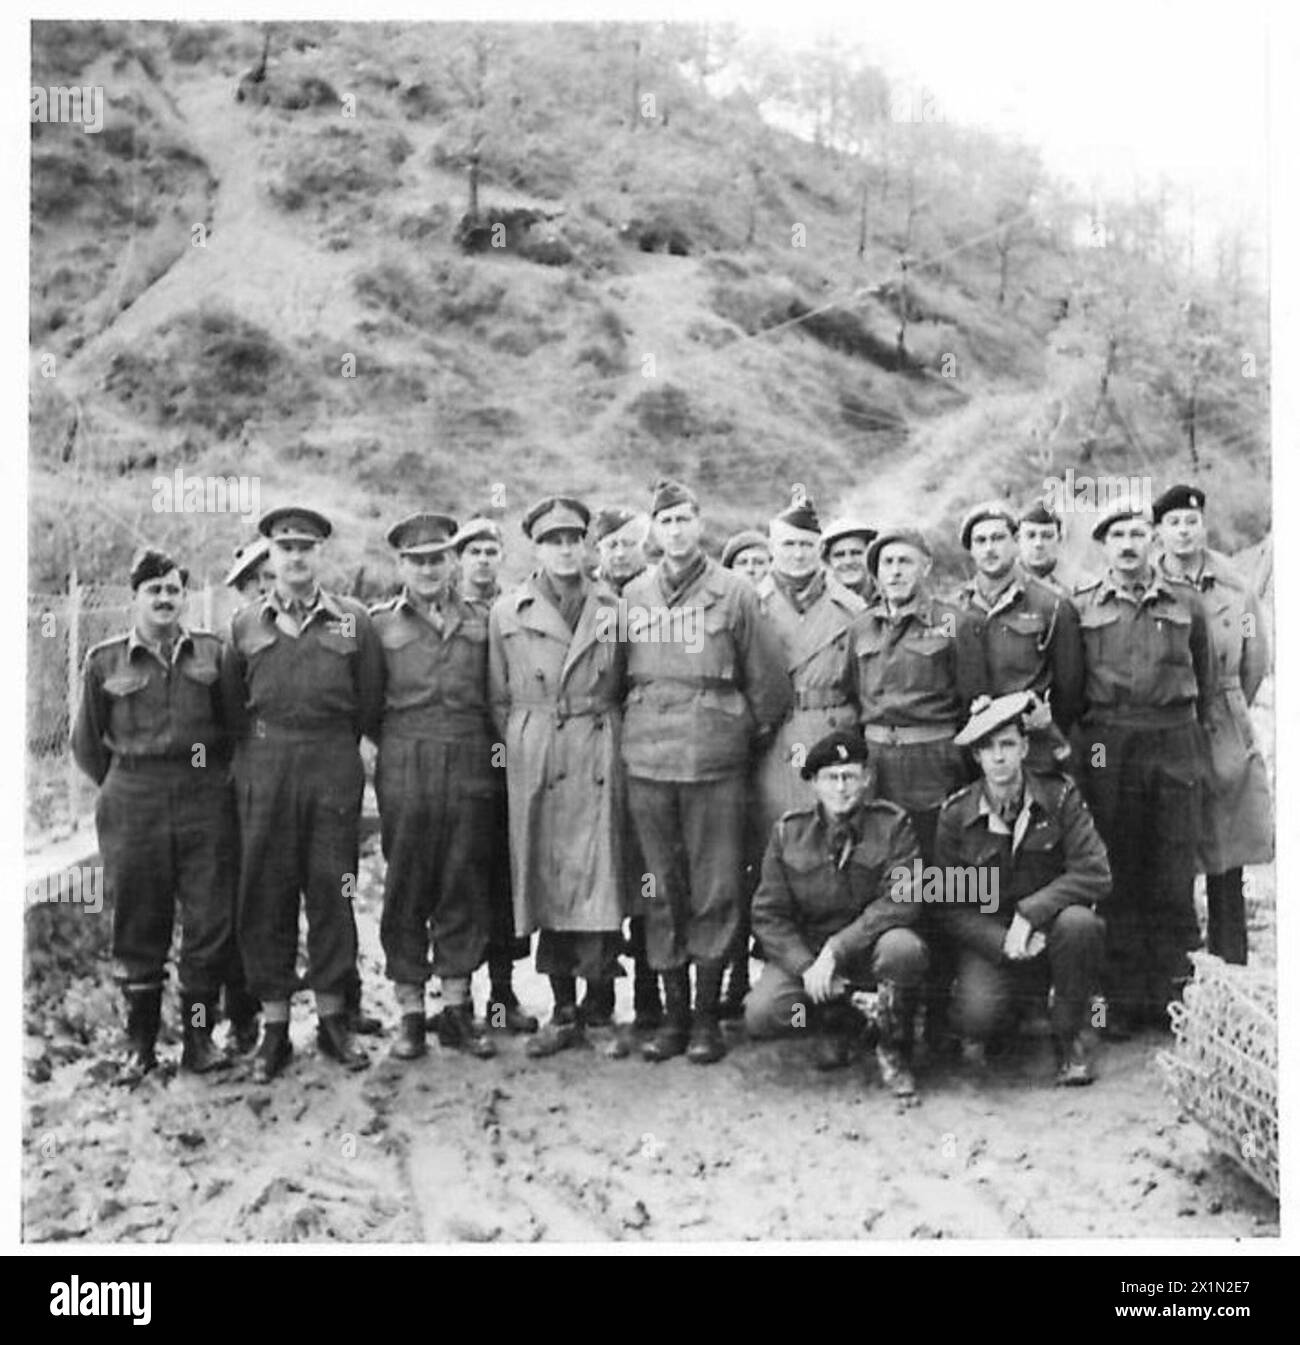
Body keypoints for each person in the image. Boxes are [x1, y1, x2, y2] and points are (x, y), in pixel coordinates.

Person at [621, 479, 793, 1064]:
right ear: (654, 530)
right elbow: (615, 676)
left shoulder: (735, 593)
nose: (675, 531)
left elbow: (770, 686)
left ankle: (705, 1019)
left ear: (700, 525)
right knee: (660, 887)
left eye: (684, 519)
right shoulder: (634, 595)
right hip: (648, 761)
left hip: (714, 763)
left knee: (716, 887)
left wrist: (734, 732)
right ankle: (671, 1018)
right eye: (665, 521)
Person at [220, 506, 385, 1083]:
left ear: (320, 554)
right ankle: (273, 1027)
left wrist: (336, 748)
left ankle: (334, 1020)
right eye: (285, 547)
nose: (295, 557)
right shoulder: (244, 626)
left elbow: (370, 700)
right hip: (265, 768)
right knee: (266, 896)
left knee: (333, 892)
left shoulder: (353, 621)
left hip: (331, 768)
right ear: (270, 555)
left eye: (306, 547)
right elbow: (231, 711)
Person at [71, 547, 238, 1082]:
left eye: (173, 590)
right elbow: (86, 744)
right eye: (154, 590)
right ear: (135, 598)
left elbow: (233, 730)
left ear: (184, 597)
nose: (165, 599)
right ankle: (139, 1045)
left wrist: (208, 778)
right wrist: (128, 782)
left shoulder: (212, 653)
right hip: (134, 800)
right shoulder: (104, 661)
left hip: (203, 797)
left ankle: (198, 1039)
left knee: (209, 922)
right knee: (139, 921)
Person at [488, 496, 629, 1057]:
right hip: (539, 753)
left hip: (596, 748)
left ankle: (599, 1007)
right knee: (547, 877)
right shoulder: (508, 611)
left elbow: (624, 682)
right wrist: (524, 745)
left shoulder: (613, 606)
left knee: (600, 874)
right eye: (553, 541)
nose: (565, 550)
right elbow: (497, 696)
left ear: (585, 545)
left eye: (573, 540)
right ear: (536, 548)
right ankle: (562, 1007)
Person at [1072, 501, 1217, 1035]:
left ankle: (1175, 997)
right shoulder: (1081, 606)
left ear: (1152, 540)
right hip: (1110, 742)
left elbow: (1205, 675)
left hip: (1174, 736)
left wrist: (1188, 733)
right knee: (1119, 868)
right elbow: (1073, 689)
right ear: (1104, 545)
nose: (1128, 544)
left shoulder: (1186, 602)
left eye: (1137, 533)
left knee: (1174, 869)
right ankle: (1122, 1000)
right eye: (1117, 535)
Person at [371, 512, 499, 1061]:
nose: (428, 570)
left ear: (452, 562)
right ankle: (408, 1013)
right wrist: (403, 745)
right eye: (417, 561)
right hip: (406, 760)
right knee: (407, 883)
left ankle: (456, 1009)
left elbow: (494, 694)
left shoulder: (482, 621)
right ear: (401, 566)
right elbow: (368, 704)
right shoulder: (379, 625)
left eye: (437, 559)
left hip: (469, 758)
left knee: (462, 880)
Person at [936, 692, 1110, 1085]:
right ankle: (1014, 1018)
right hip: (993, 941)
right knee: (977, 1017)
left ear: (1025, 748)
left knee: (1080, 923)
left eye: (1008, 744)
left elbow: (1095, 871)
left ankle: (1071, 1036)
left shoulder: (1059, 796)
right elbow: (949, 907)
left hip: (1051, 931)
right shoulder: (957, 815)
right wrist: (1002, 941)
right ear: (976, 757)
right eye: (988, 748)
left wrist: (1029, 915)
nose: (999, 757)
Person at [746, 730, 927, 1097]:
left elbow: (903, 899)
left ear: (867, 779)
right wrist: (806, 967)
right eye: (831, 777)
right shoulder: (789, 833)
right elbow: (769, 915)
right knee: (763, 1013)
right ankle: (836, 1023)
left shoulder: (893, 825)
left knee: (904, 949)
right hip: (812, 960)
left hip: (870, 952)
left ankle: (894, 1047)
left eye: (850, 776)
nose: (841, 787)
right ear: (814, 783)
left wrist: (837, 949)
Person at [747, 498, 865, 1015]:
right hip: (773, 738)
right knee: (775, 850)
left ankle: (842, 972)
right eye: (788, 545)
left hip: (832, 731)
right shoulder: (750, 603)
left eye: (807, 546)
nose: (798, 555)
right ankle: (781, 969)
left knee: (840, 850)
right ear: (773, 548)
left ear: (821, 550)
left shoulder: (851, 608)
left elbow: (864, 682)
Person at [1153, 484, 1273, 965]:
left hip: (1223, 722)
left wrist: (1230, 708)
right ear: (1159, 532)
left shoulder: (1236, 588)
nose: (1184, 532)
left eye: (1191, 522)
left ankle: (1230, 961)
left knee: (1228, 850)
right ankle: (1179, 966)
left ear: (1203, 526)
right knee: (1174, 847)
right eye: (1173, 523)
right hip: (1171, 722)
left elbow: (1254, 657)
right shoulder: (1150, 584)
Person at [451, 514, 536, 1033]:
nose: (482, 560)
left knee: (506, 877)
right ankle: (456, 998)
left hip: (508, 758)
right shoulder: (445, 610)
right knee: (461, 875)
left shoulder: (518, 608)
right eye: (473, 552)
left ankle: (502, 997)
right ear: (459, 559)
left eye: (490, 551)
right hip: (459, 758)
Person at [591, 506, 662, 1030]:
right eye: (610, 544)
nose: (620, 553)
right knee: (593, 866)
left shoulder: (657, 595)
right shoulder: (587, 598)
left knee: (646, 871)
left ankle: (649, 990)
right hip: (591, 744)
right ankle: (595, 990)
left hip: (645, 743)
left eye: (628, 543)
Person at [954, 500, 1084, 773]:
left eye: (998, 538)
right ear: (971, 550)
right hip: (974, 747)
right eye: (980, 541)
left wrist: (1047, 727)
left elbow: (1070, 688)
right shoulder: (953, 609)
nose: (990, 548)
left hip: (1032, 747)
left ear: (1015, 542)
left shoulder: (1052, 606)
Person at [1017, 499, 1072, 596]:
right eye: (1031, 535)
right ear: (1018, 539)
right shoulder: (1003, 581)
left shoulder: (1073, 585)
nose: (1038, 544)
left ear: (1059, 539)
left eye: (1047, 536)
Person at [820, 517, 878, 602]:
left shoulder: (889, 597)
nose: (848, 561)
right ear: (828, 561)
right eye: (839, 555)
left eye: (856, 553)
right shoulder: (819, 602)